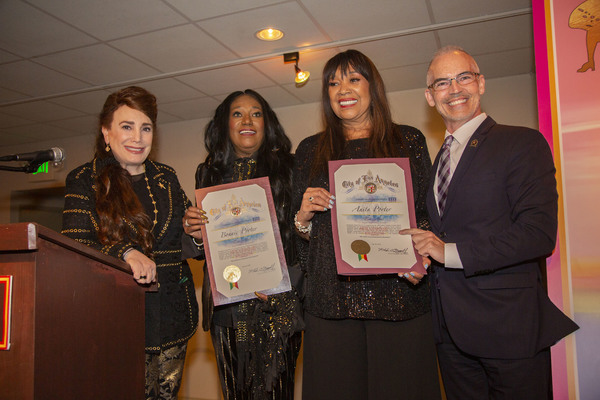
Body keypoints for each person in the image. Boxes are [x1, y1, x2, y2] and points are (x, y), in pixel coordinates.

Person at [401, 46, 579, 399]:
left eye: (463, 77)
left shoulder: (522, 143)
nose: (454, 89)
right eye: (442, 83)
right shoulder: (438, 161)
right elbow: (448, 231)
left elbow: (538, 234)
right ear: (429, 96)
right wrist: (420, 260)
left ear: (481, 83)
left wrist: (447, 252)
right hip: (450, 331)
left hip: (507, 326)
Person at [292, 49, 441, 399]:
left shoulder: (409, 141)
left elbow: (425, 216)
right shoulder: (309, 150)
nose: (343, 89)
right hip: (330, 301)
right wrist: (302, 217)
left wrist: (421, 259)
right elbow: (304, 239)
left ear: (372, 87)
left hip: (400, 296)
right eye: (333, 83)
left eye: (353, 79)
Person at [61, 86, 199, 399]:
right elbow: (73, 246)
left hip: (172, 320)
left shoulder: (167, 177)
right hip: (114, 322)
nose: (137, 137)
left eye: (145, 128)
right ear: (106, 133)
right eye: (127, 126)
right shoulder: (83, 180)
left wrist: (198, 237)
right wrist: (125, 251)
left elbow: (182, 242)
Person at [182, 89, 303, 399]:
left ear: (267, 123)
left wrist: (281, 280)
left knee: (277, 392)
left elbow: (306, 237)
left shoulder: (291, 169)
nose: (247, 120)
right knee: (234, 392)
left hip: (277, 305)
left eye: (256, 113)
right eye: (238, 113)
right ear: (225, 123)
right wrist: (195, 234)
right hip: (228, 308)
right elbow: (202, 250)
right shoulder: (208, 173)